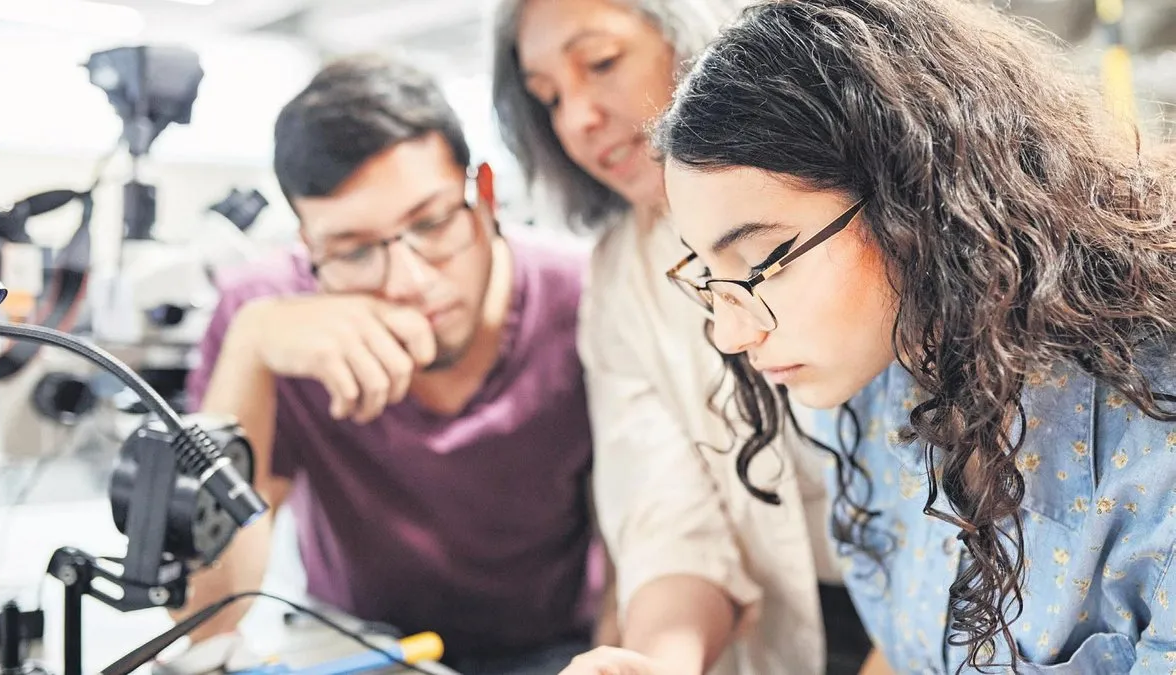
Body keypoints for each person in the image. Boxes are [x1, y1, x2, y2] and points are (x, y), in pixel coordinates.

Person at [640, 0, 1176, 673]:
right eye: (706, 273)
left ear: (915, 191)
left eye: (757, 263)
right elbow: (907, 652)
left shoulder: (1152, 436)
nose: (727, 330)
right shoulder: (875, 383)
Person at [180, 53, 606, 675]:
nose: (407, 282)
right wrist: (248, 351)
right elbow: (207, 619)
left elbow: (649, 543)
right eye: (352, 251)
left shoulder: (583, 299)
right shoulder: (265, 316)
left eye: (432, 223)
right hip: (353, 646)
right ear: (307, 246)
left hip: (556, 651)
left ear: (484, 194)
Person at [492, 2, 869, 674]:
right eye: (547, 97)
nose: (578, 120)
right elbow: (666, 512)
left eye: (602, 63)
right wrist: (659, 663)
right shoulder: (620, 275)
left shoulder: (865, 201)